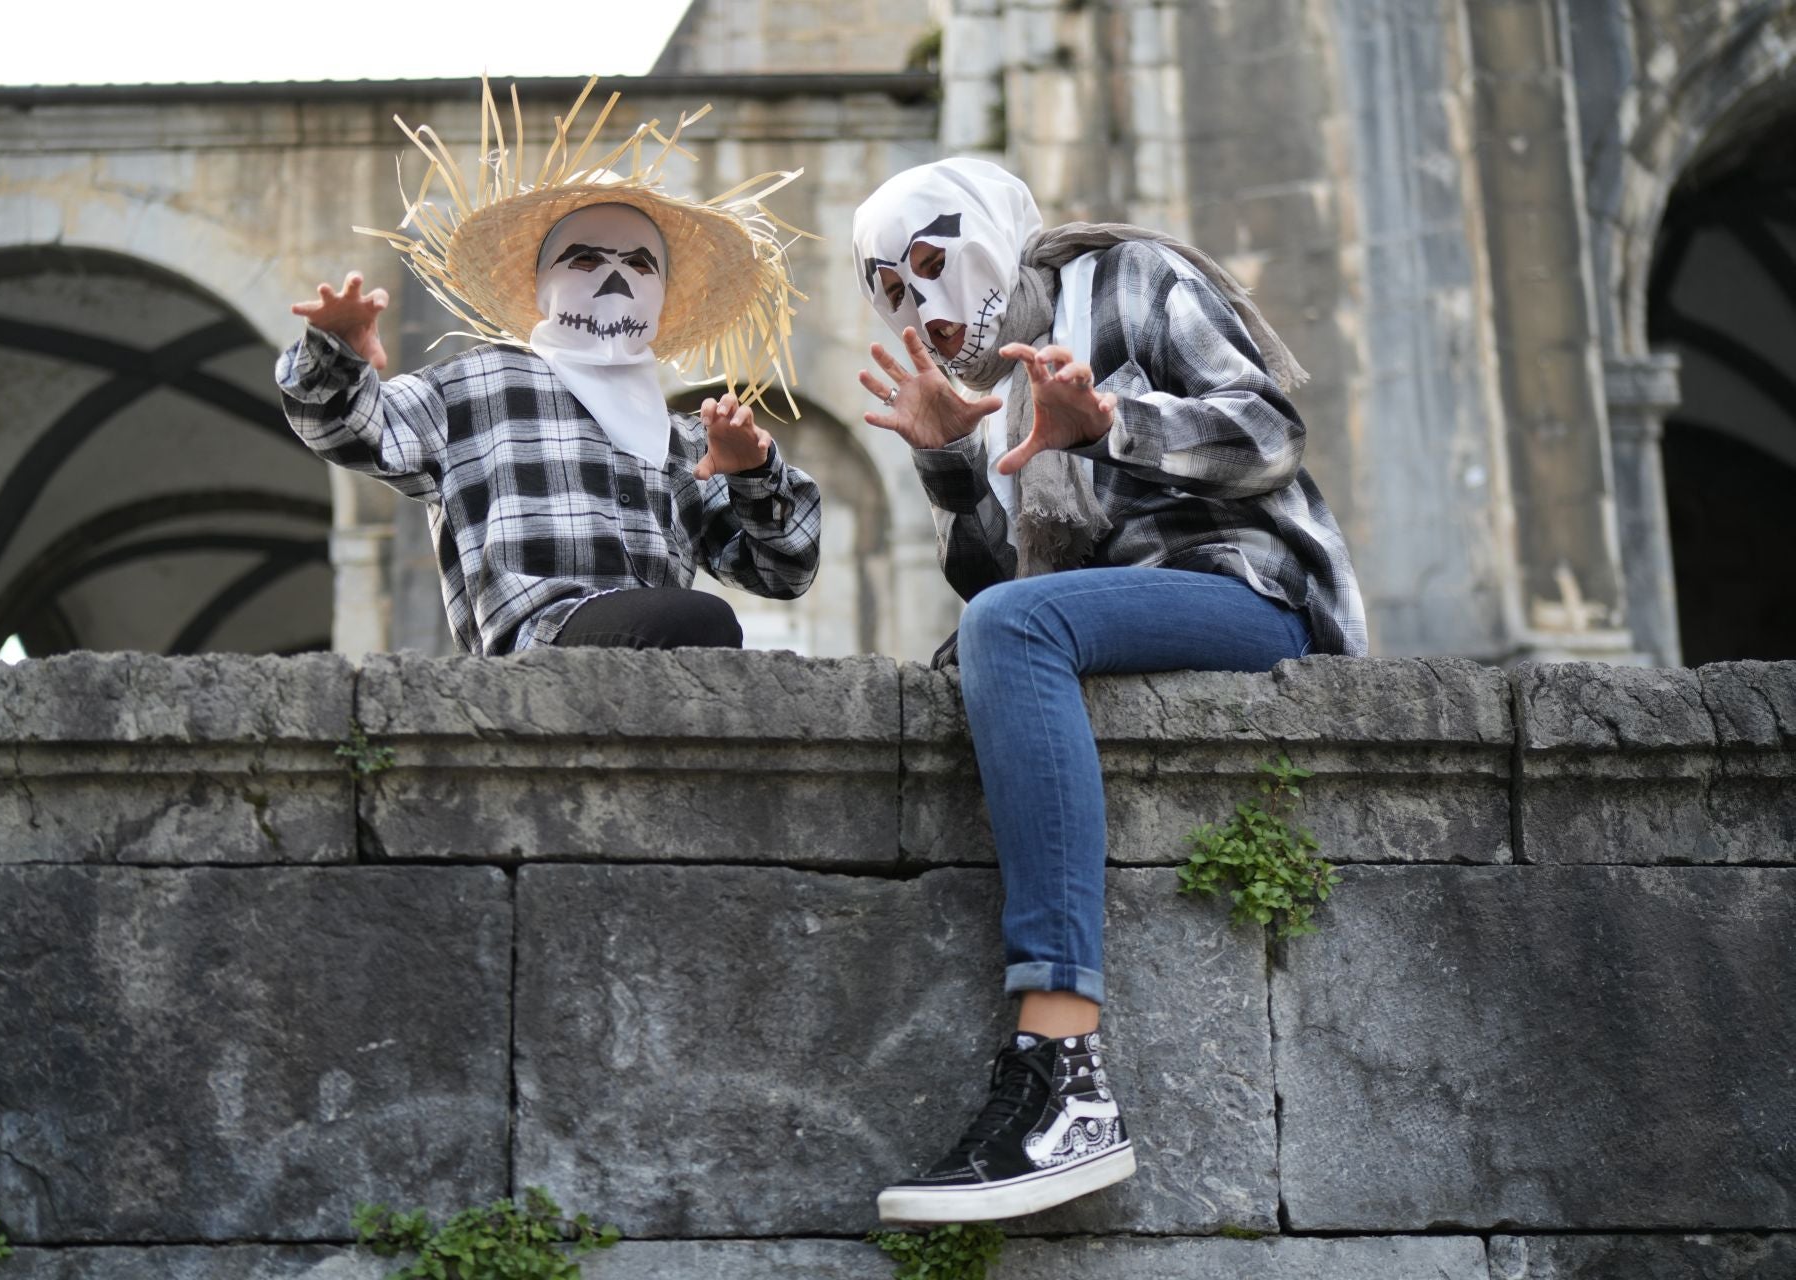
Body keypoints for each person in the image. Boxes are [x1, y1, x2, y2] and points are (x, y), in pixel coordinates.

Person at [852, 158, 1367, 1223]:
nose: (925, 304)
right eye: (893, 289)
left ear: (990, 231)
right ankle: (1057, 1083)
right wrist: (952, 457)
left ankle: (1065, 1070)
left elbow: (1269, 431)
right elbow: (1004, 589)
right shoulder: (992, 385)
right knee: (990, 635)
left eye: (934, 262)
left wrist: (1111, 427)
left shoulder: (1129, 276)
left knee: (1005, 628)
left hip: (1246, 583)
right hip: (1113, 609)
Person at [278, 80, 821, 654]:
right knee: (703, 621)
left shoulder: (686, 441)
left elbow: (784, 572)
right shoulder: (477, 385)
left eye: (640, 264)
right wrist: (336, 354)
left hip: (661, 651)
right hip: (539, 649)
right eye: (585, 257)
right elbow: (345, 431)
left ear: (662, 295)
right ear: (544, 286)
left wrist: (752, 475)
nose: (615, 278)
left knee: (699, 625)